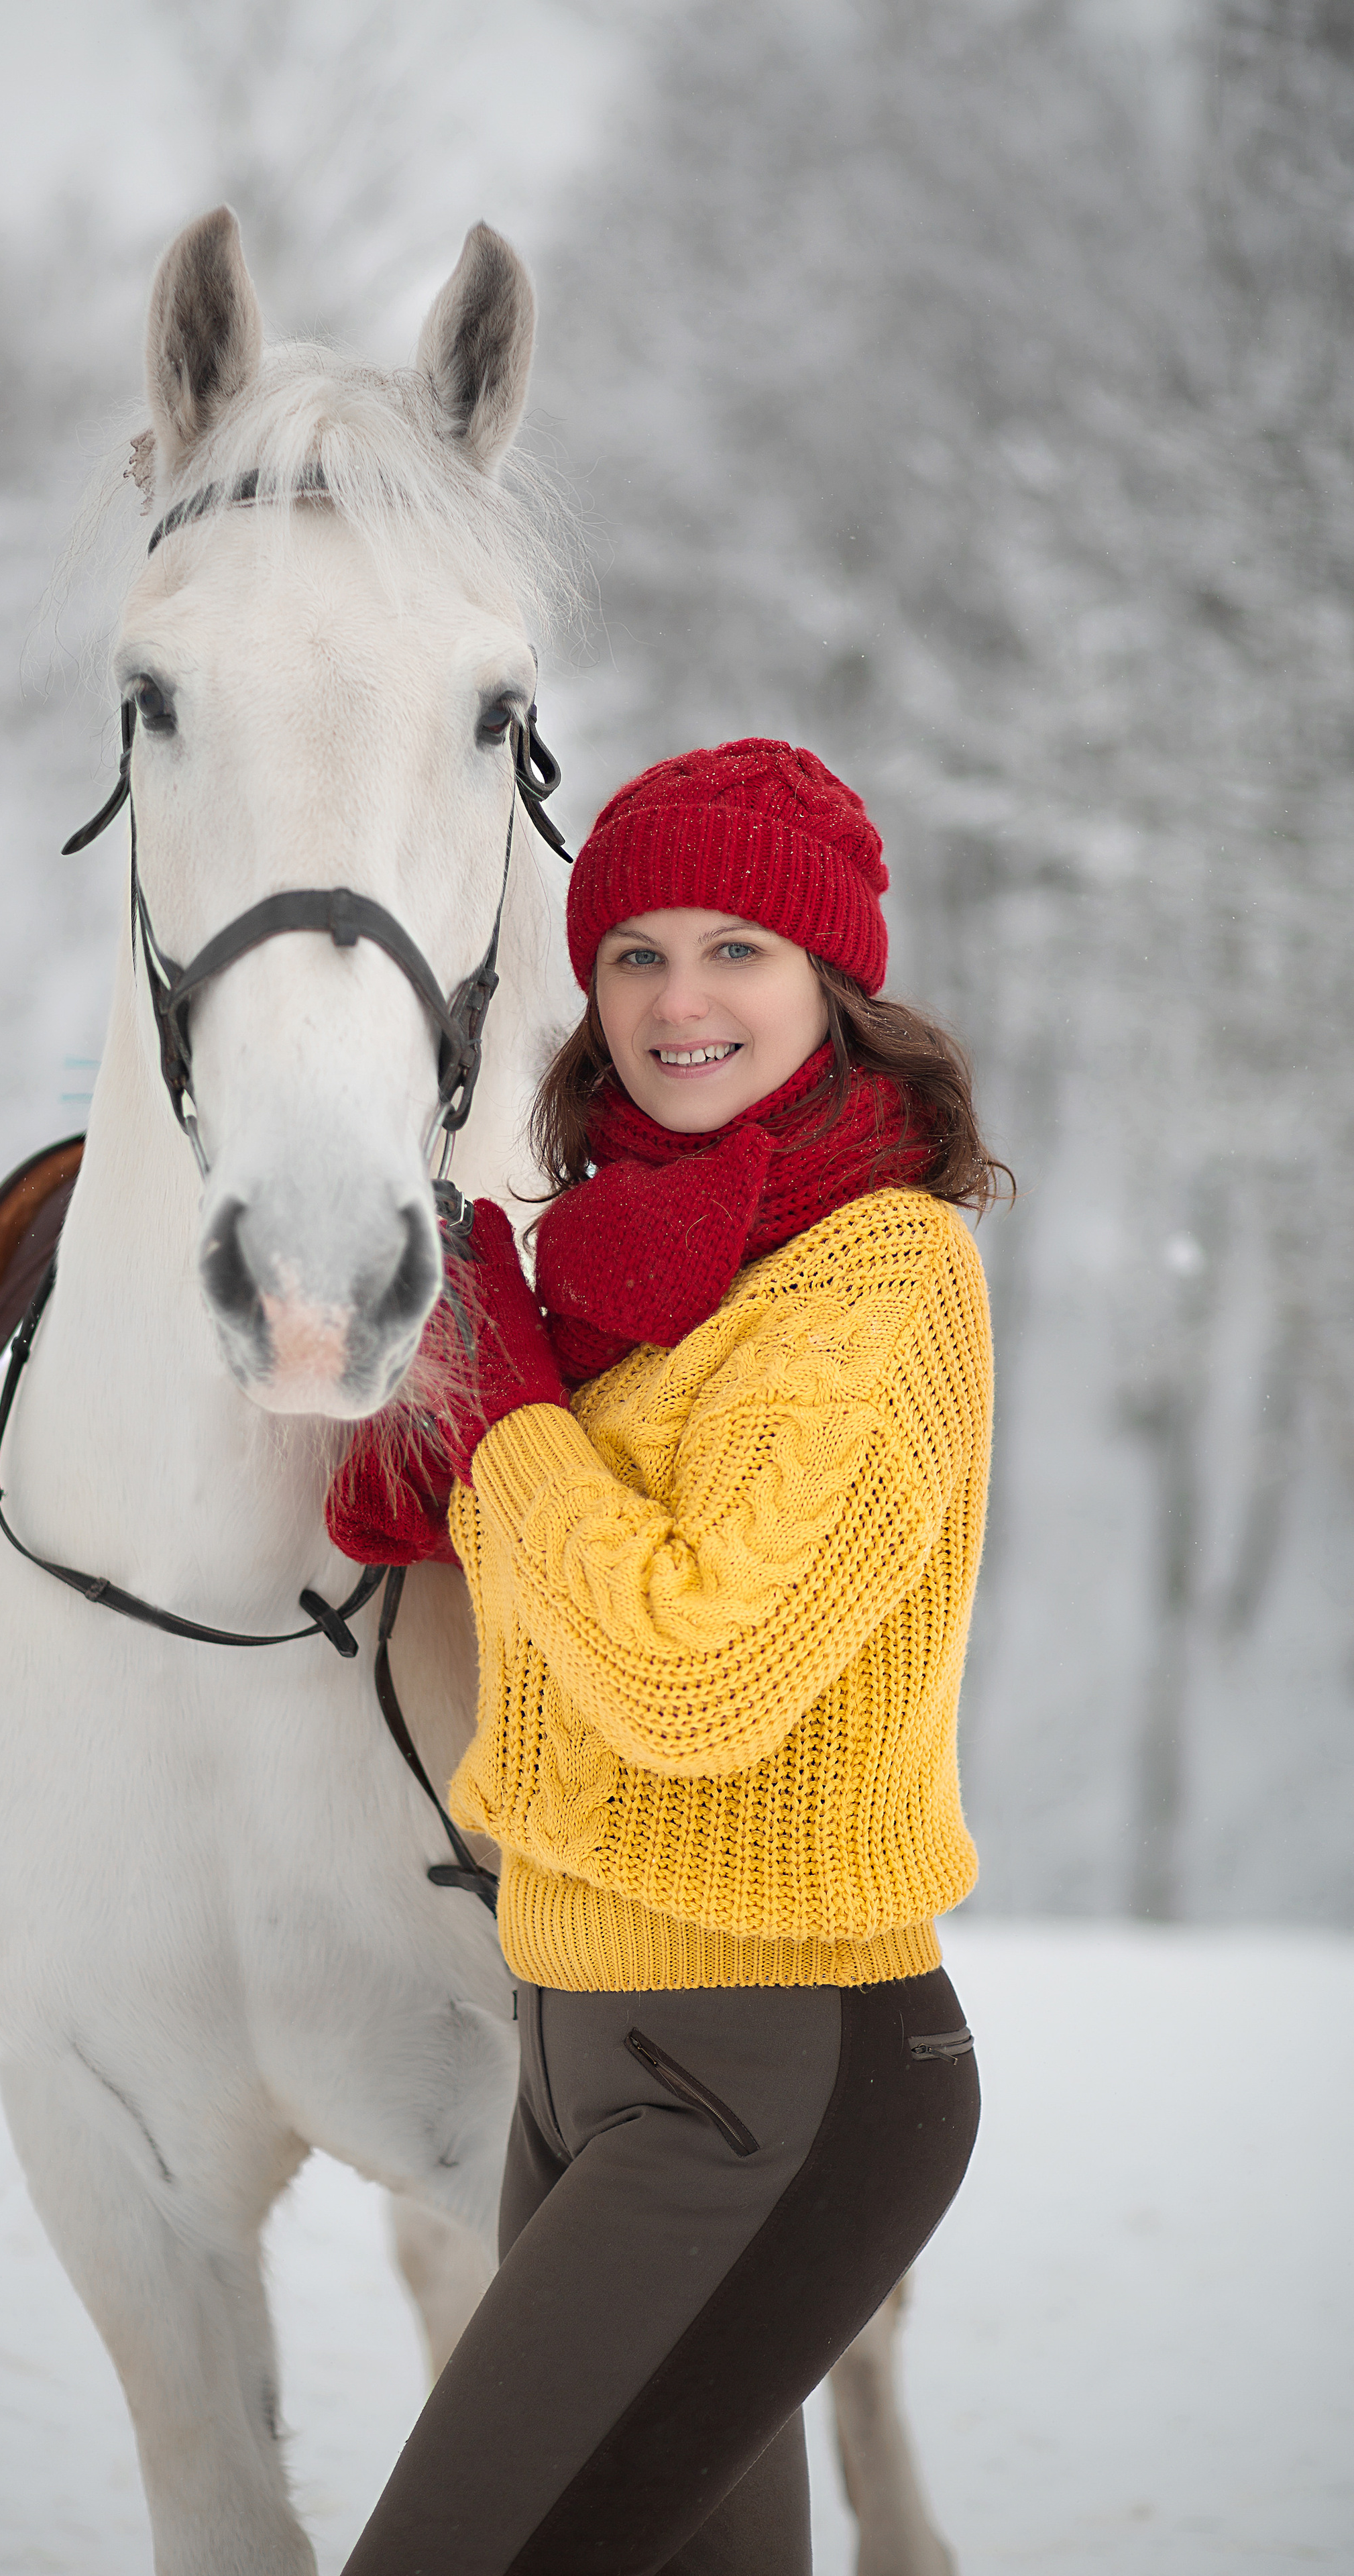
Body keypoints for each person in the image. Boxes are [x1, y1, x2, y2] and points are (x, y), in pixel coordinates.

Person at [327, 739, 1007, 2576]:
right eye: (633, 951)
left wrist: (518, 1421)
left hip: (775, 2079)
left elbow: (693, 1674)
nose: (678, 997)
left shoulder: (878, 1279)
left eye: (737, 951)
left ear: (833, 987)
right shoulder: (639, 1272)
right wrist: (457, 1398)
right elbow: (541, 1581)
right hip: (581, 2046)